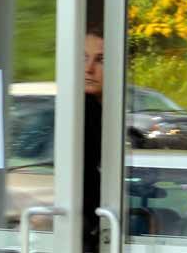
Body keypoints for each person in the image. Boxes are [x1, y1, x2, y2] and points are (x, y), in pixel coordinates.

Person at [83, 25, 104, 252]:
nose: (89, 69)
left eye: (100, 60)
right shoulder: (78, 114)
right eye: (84, 58)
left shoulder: (114, 114)